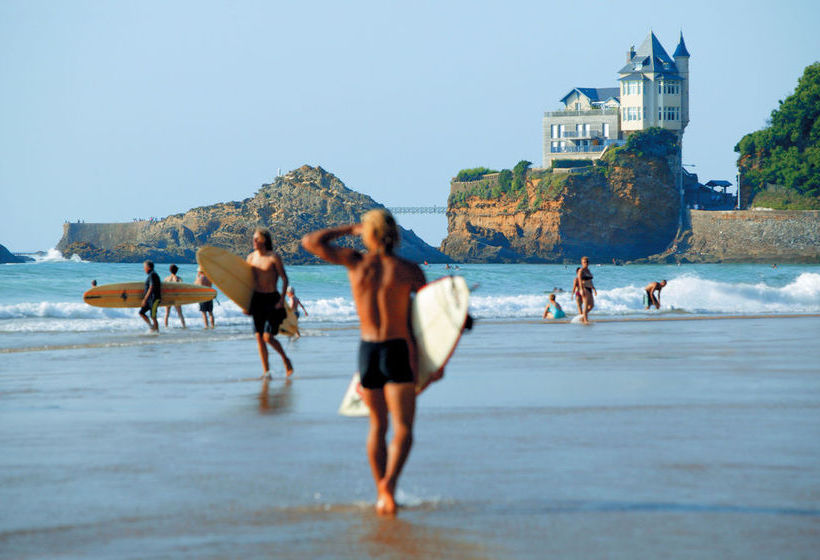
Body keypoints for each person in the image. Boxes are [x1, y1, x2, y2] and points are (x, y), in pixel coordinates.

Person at [301, 209, 426, 516]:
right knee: (404, 429)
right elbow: (430, 318)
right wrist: (433, 365)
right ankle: (389, 487)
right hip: (398, 350)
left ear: (369, 233)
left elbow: (310, 242)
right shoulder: (410, 270)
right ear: (395, 234)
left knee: (377, 425)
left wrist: (350, 228)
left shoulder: (356, 263)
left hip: (368, 352)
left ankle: (380, 492)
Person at [247, 228, 293, 379]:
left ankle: (285, 359)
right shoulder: (251, 258)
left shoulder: (273, 257)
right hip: (256, 300)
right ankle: (266, 372)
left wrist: (281, 301)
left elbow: (285, 278)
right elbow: (245, 283)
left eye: (257, 239)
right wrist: (244, 304)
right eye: (253, 239)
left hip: (272, 299)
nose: (254, 241)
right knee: (259, 337)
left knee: (268, 337)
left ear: (264, 240)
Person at [139, 260, 161, 332]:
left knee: (153, 316)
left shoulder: (152, 275)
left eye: (144, 267)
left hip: (154, 299)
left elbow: (151, 287)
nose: (144, 269)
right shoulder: (152, 275)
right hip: (150, 300)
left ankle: (157, 331)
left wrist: (145, 299)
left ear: (148, 267)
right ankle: (151, 327)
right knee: (141, 313)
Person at [577, 256, 596, 324]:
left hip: (589, 289)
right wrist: (581, 289)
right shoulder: (581, 270)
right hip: (584, 288)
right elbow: (579, 280)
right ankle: (585, 320)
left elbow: (590, 281)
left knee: (591, 305)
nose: (586, 263)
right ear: (582, 263)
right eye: (584, 262)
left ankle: (582, 316)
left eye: (587, 262)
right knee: (586, 305)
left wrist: (594, 289)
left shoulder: (588, 270)